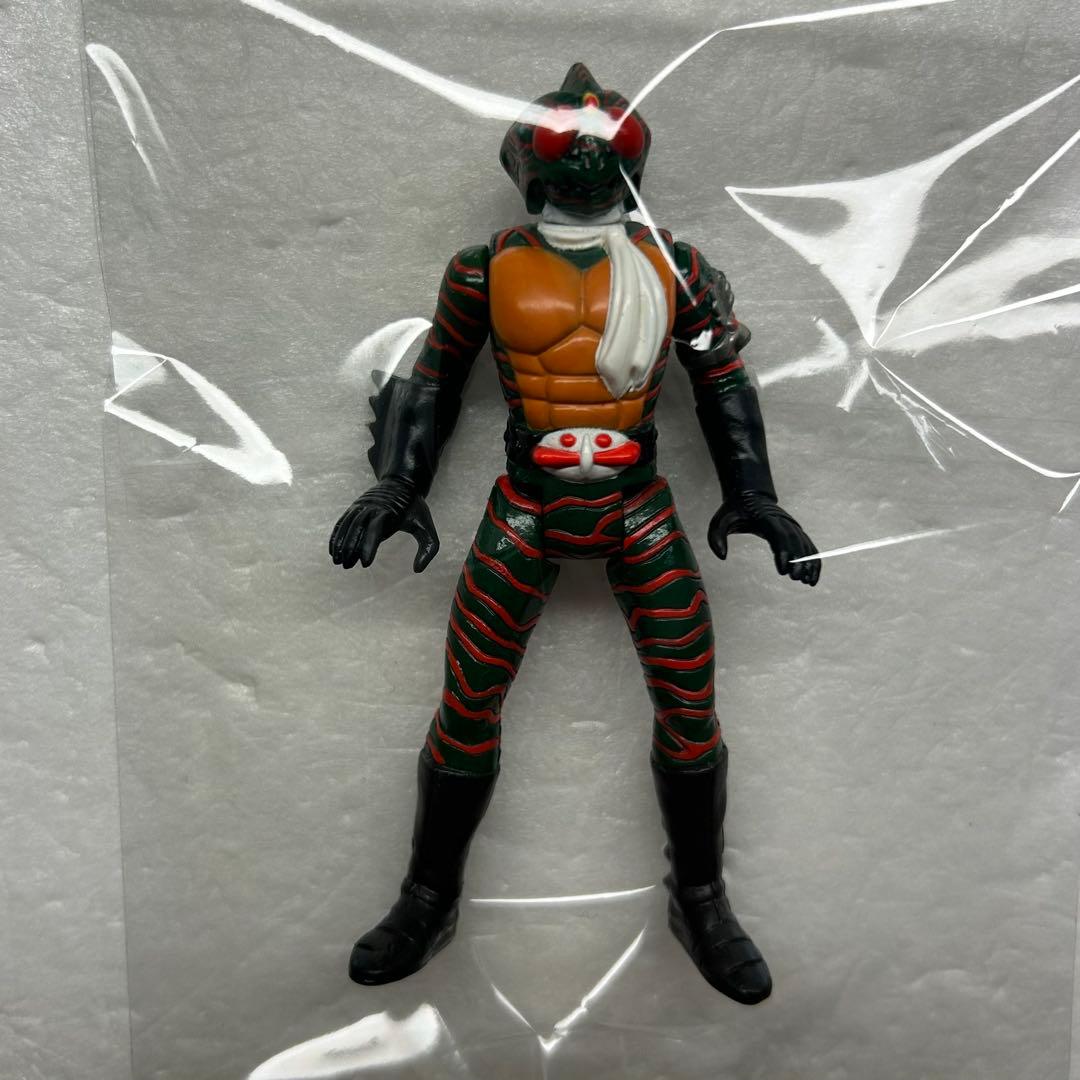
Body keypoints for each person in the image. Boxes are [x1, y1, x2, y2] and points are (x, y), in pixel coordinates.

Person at [330, 63, 820, 1005]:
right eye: (570, 142)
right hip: (527, 501)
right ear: (528, 162)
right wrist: (397, 483)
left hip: (638, 503)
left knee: (691, 705)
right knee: (466, 703)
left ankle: (702, 896)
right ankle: (428, 897)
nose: (590, 158)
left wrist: (754, 494)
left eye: (606, 143)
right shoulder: (484, 268)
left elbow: (721, 379)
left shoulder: (674, 266)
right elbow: (434, 377)